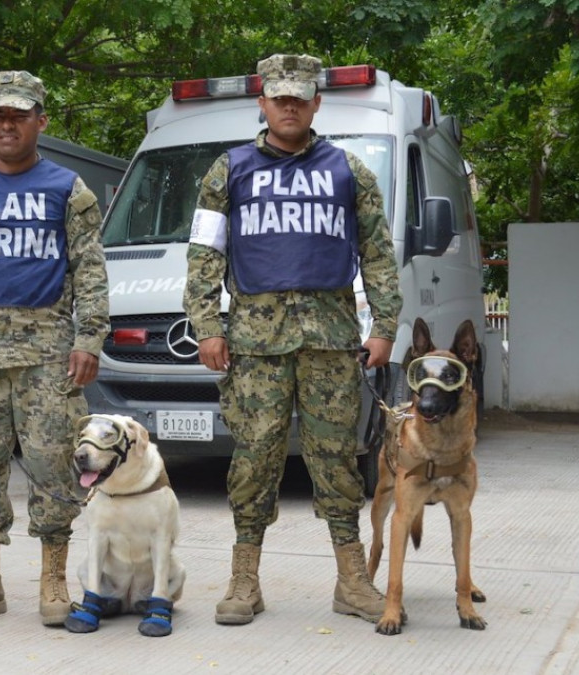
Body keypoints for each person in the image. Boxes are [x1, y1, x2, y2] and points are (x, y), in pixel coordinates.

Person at [182, 54, 403, 626]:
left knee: (336, 462)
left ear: (314, 104)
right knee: (253, 462)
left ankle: (352, 581)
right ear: (262, 103)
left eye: (298, 98)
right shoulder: (226, 170)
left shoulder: (349, 170)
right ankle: (244, 581)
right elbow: (204, 256)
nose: (288, 106)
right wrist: (207, 327)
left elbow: (377, 253)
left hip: (331, 341)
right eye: (278, 97)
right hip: (254, 344)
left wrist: (383, 327)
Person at [0, 70, 110, 626]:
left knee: (54, 468)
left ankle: (53, 582)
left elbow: (90, 271)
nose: (7, 125)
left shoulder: (68, 190)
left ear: (40, 121)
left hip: (49, 355)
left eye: (18, 116)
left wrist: (89, 337)